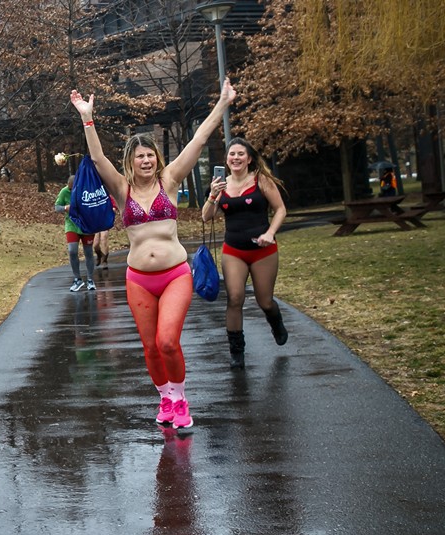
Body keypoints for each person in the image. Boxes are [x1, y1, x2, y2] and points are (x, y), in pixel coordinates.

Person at [69, 79, 236, 428]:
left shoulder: (170, 180)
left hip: (175, 274)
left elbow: (198, 140)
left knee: (167, 341)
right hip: (139, 280)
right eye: (139, 156)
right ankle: (166, 398)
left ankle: (181, 397)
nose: (146, 160)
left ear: (156, 158)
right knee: (150, 346)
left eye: (150, 155)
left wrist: (221, 104)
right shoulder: (121, 188)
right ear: (131, 161)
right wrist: (88, 118)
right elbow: (97, 158)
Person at [201, 137, 289, 370]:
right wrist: (212, 194)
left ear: (249, 158)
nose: (236, 158)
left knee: (265, 300)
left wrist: (270, 232)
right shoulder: (220, 185)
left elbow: (280, 209)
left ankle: (276, 322)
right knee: (235, 298)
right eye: (232, 154)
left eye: (241, 154)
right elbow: (205, 216)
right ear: (227, 160)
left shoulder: (262, 180)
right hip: (234, 250)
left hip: (263, 250)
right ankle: (236, 351)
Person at [54, 175, 98, 291]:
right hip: (71, 225)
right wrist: (65, 208)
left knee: (88, 252)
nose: (71, 190)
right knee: (72, 251)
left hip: (86, 225)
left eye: (73, 188)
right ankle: (77, 279)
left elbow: (95, 204)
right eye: (69, 188)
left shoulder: (87, 190)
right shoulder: (64, 192)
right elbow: (57, 207)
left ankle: (90, 279)